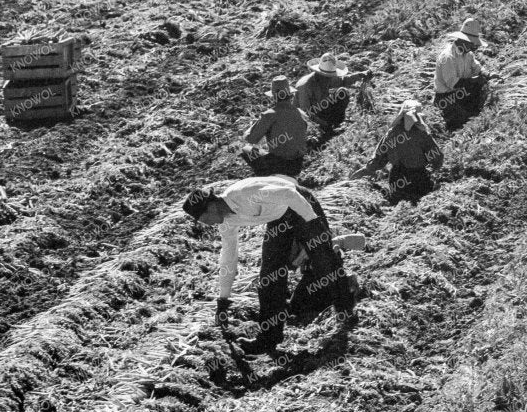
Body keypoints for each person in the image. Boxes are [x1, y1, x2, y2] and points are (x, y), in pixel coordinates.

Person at [182, 176, 362, 355]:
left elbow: (289, 193)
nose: (208, 224)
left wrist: (313, 222)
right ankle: (268, 339)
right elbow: (229, 256)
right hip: (278, 218)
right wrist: (223, 300)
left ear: (212, 205)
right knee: (269, 277)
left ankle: (345, 310)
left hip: (299, 203)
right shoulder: (226, 222)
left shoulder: (244, 195)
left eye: (205, 218)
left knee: (323, 260)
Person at [365, 101, 443, 202]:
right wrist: (433, 169)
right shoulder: (422, 134)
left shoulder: (391, 133)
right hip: (419, 179)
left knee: (397, 197)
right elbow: (437, 157)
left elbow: (378, 160)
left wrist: (368, 168)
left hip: (397, 181)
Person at [293, 52, 367, 141]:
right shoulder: (305, 86)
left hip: (321, 108)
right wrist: (322, 123)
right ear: (318, 74)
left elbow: (343, 80)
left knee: (342, 92)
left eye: (330, 76)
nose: (329, 79)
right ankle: (326, 129)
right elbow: (305, 113)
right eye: (326, 77)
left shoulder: (328, 78)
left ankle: (334, 124)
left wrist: (359, 75)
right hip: (305, 118)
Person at [433, 27, 490, 128]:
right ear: (463, 41)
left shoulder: (468, 55)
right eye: (472, 44)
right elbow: (453, 83)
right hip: (446, 98)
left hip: (461, 93)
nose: (474, 47)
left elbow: (476, 68)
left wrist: (487, 74)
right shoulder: (448, 57)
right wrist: (476, 80)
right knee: (463, 122)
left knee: (476, 106)